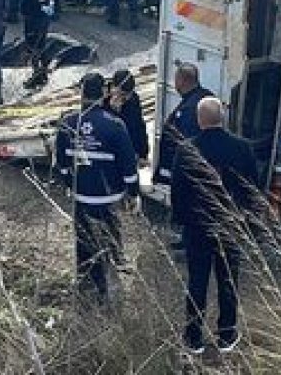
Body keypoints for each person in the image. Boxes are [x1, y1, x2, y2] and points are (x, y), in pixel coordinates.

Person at [174, 97, 262, 354]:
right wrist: (249, 223)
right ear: (222, 117)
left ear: (200, 119)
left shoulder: (187, 149)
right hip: (230, 224)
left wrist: (182, 221)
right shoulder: (242, 148)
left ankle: (193, 337)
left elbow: (178, 191)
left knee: (197, 280)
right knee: (228, 280)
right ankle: (227, 334)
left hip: (198, 226)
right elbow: (252, 189)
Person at [54, 72, 139, 303]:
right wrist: (133, 193)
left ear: (81, 94)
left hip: (81, 196)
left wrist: (69, 183)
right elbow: (128, 165)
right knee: (109, 239)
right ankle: (106, 286)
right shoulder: (114, 125)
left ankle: (85, 283)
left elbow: (61, 163)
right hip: (108, 196)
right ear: (103, 93)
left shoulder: (68, 123)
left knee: (83, 241)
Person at [154, 63, 214, 184]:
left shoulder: (188, 110)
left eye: (176, 79)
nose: (175, 83)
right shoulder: (207, 97)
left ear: (182, 81)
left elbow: (187, 145)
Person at [18, 0, 53, 91]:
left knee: (33, 46)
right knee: (41, 43)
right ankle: (43, 72)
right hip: (44, 13)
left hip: (33, 15)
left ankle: (37, 74)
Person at [106, 69, 149, 167]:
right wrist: (112, 110)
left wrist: (143, 153)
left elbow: (139, 126)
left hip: (129, 151)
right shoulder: (104, 101)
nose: (126, 98)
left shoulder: (133, 99)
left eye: (128, 95)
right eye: (123, 95)